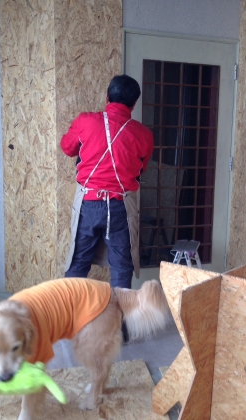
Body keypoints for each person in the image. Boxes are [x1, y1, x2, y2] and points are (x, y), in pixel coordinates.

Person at [61, 75, 153, 290]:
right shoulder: (144, 135)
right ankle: (120, 312)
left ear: (107, 97)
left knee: (78, 261)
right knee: (121, 266)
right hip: (121, 206)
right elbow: (140, 169)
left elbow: (67, 147)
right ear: (134, 103)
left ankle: (69, 310)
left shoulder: (85, 121)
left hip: (88, 203)